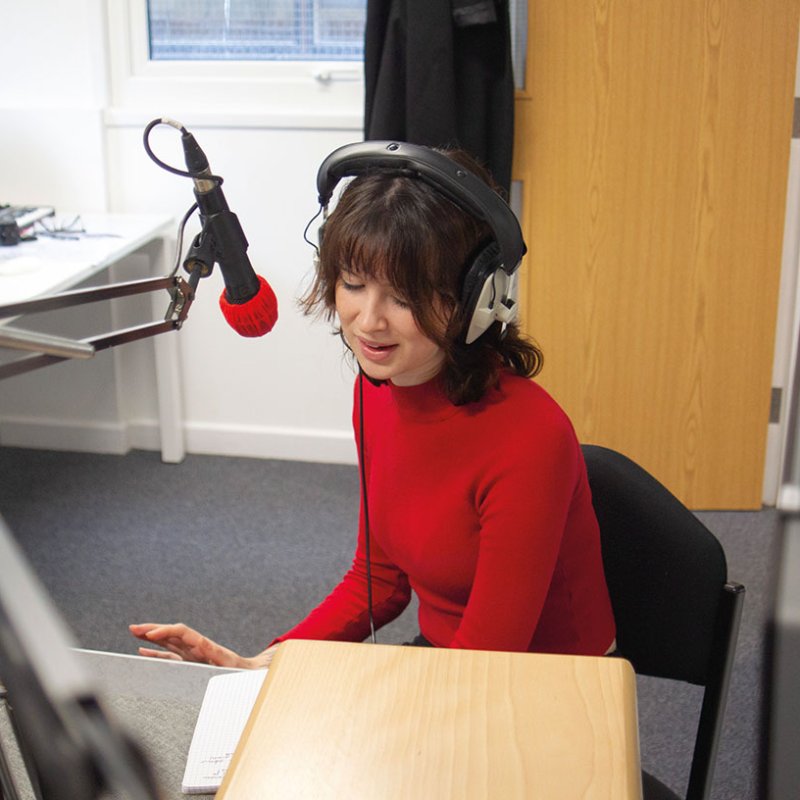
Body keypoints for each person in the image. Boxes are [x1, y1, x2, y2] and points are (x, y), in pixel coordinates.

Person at [130, 143, 616, 669]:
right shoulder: (379, 390)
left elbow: (483, 664)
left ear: (475, 298)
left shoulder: (530, 439)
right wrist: (265, 664)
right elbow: (379, 578)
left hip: (544, 681)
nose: (368, 321)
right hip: (451, 659)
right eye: (354, 284)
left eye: (403, 298)